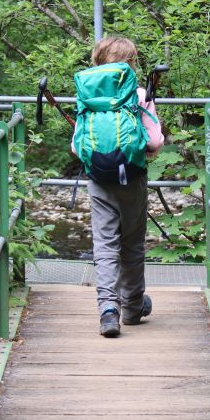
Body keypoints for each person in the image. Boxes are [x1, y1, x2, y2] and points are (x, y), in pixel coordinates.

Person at [70, 36, 165, 337]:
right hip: (133, 175)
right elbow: (154, 141)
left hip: (98, 177)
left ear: (98, 60)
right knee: (132, 244)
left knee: (105, 243)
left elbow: (76, 147)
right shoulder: (138, 94)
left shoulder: (87, 94)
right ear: (132, 62)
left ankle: (108, 311)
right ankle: (133, 308)